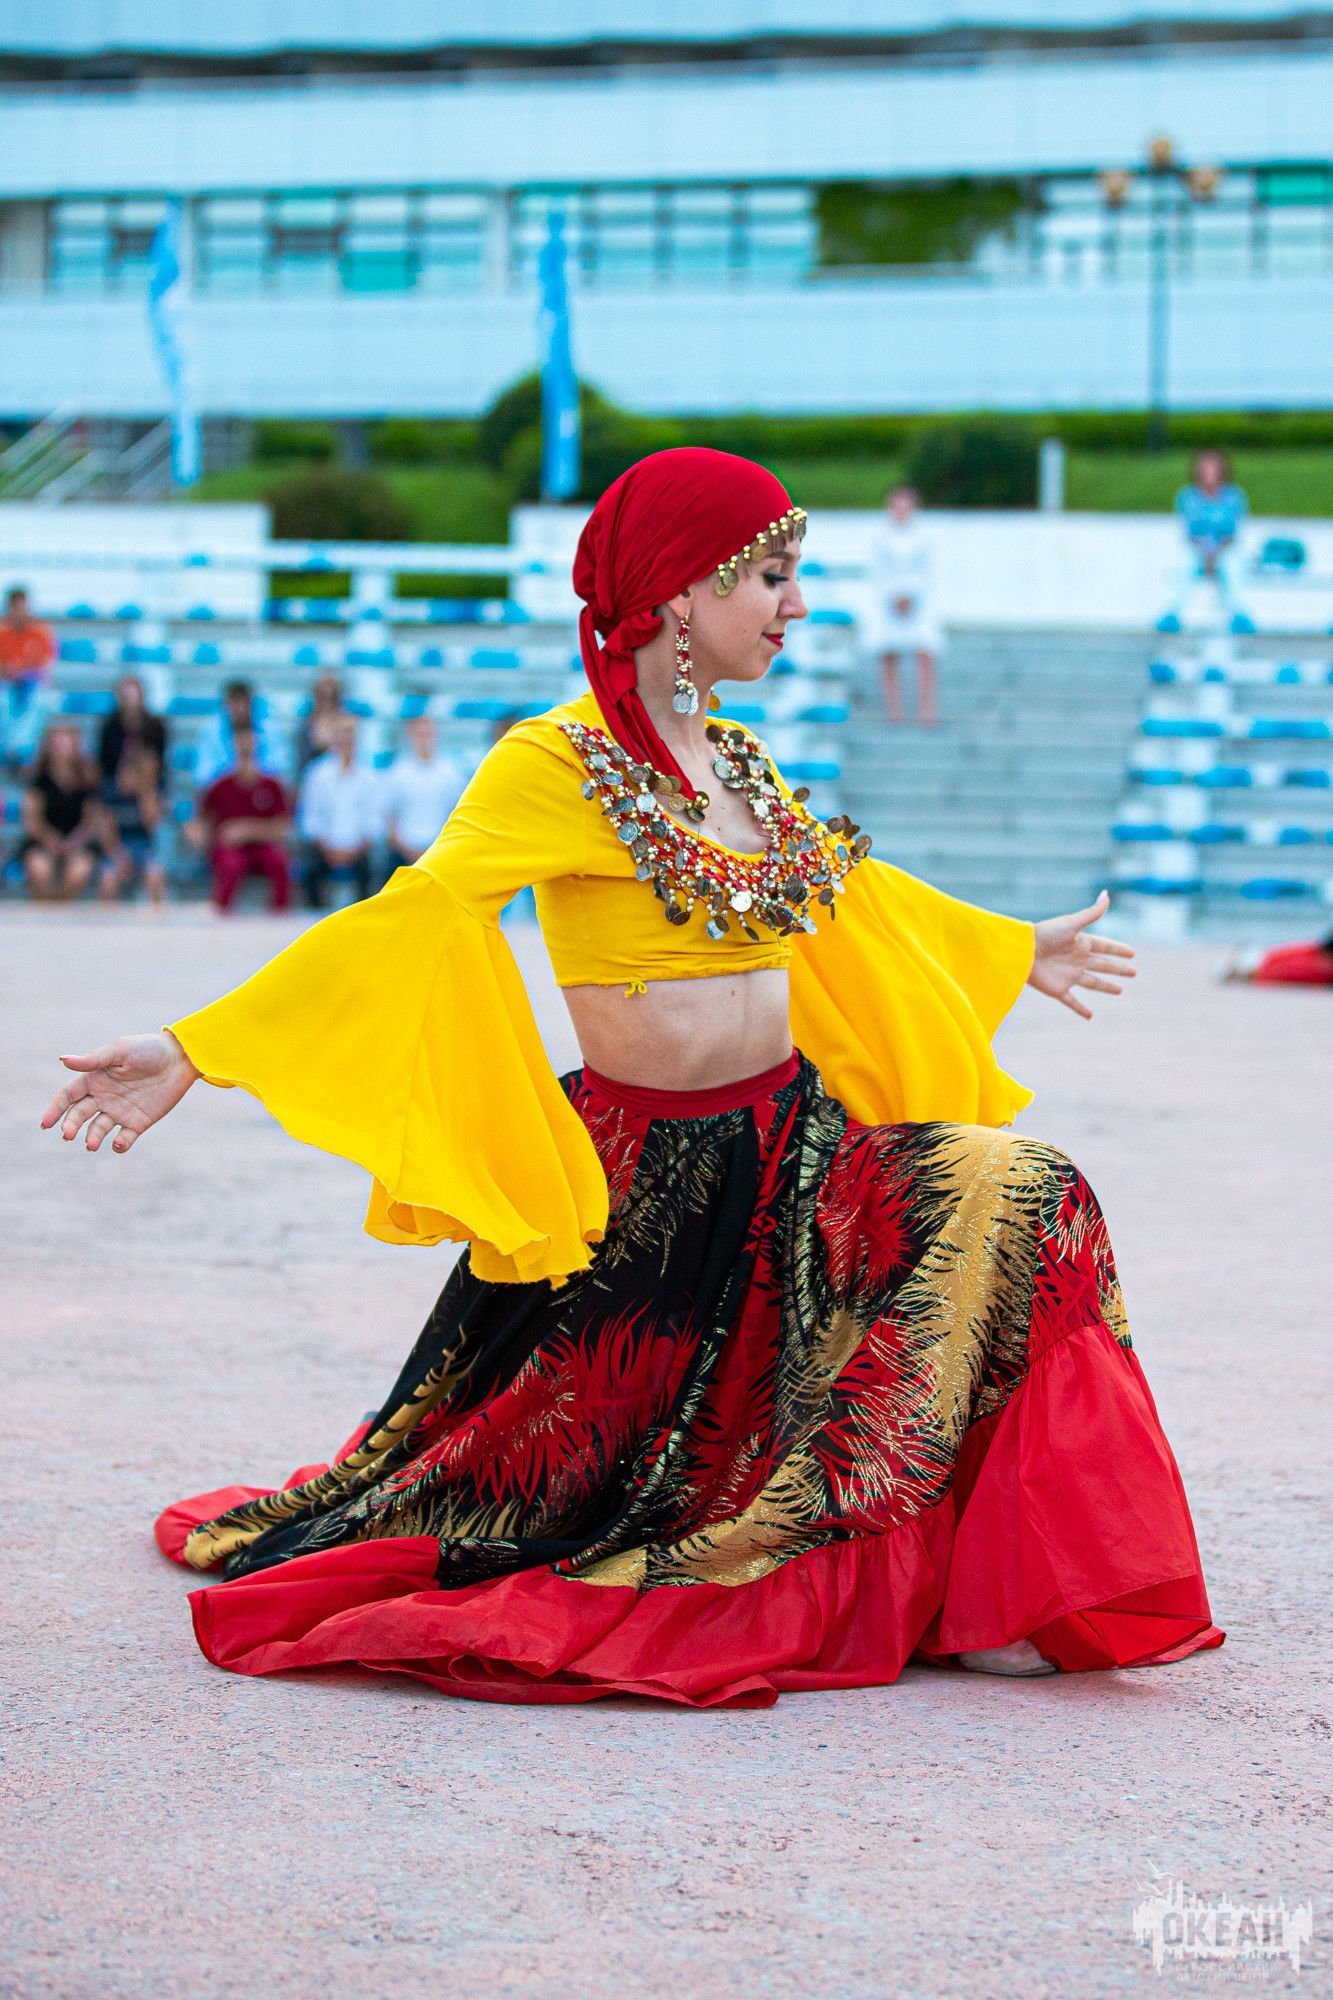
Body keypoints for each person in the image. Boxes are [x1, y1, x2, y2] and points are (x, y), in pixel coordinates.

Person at [41, 448, 1221, 1709]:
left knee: (1027, 1194)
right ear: (678, 591)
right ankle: (871, 1566)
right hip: (653, 1199)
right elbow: (417, 912)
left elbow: (854, 895)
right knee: (579, 1494)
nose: (796, 604)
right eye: (770, 577)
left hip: (801, 1151)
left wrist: (1011, 946)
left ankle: (984, 1578)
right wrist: (198, 1047)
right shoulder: (553, 763)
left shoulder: (741, 760)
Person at [193, 724, 292, 913]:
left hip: (263, 847)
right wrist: (203, 835)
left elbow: (282, 828)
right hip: (230, 849)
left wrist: (245, 830)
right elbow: (201, 820)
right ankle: (220, 912)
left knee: (279, 861)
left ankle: (280, 914)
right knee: (230, 863)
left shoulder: (272, 785)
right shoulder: (220, 786)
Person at [869, 486, 942, 726]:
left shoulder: (924, 537)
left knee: (925, 653)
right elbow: (879, 572)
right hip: (888, 603)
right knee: (889, 653)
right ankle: (894, 709)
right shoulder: (880, 537)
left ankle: (927, 709)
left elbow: (928, 571)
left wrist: (911, 595)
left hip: (919, 604)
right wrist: (894, 595)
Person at [1159, 449, 1253, 635]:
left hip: (1225, 549)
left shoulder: (1234, 496)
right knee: (1184, 565)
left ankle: (1240, 615)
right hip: (1197, 550)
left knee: (1232, 566)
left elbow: (1232, 531)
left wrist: (1216, 554)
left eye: (1214, 467)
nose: (1210, 472)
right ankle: (1172, 614)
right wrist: (1205, 554)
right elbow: (1190, 531)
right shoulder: (1188, 496)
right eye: (1205, 467)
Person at [297, 713, 383, 906]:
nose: (346, 740)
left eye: (350, 734)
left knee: (373, 870)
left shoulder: (369, 777)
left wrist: (354, 851)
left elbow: (373, 824)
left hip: (358, 850)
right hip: (324, 848)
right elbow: (311, 821)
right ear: (333, 738)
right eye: (341, 734)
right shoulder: (316, 774)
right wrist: (328, 850)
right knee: (310, 869)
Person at [20, 719, 102, 901]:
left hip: (76, 841)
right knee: (39, 870)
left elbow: (91, 820)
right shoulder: (38, 779)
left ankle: (63, 908)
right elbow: (32, 818)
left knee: (79, 870)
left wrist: (74, 841)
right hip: (43, 841)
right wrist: (51, 841)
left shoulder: (87, 780)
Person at [382, 714, 467, 869]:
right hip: (403, 852)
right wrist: (405, 849)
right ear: (411, 736)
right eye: (420, 734)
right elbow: (388, 816)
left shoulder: (451, 772)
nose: (424, 739)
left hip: (440, 852)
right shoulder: (397, 772)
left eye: (428, 734)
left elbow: (459, 814)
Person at [98, 742, 167, 905]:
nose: (123, 779)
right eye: (121, 774)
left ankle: (158, 917)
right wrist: (119, 856)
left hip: (144, 850)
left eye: (129, 775)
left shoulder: (149, 796)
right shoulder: (109, 797)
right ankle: (106, 917)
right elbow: (106, 836)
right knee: (108, 880)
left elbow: (151, 825)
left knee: (155, 877)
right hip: (118, 850)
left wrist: (144, 793)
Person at [0, 585, 58, 771]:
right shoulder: (2, 631)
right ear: (9, 608)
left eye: (23, 607)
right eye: (16, 607)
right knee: (4, 702)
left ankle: (22, 750)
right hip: (5, 685)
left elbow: (45, 667)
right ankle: (11, 750)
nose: (20, 612)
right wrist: (13, 671)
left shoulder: (41, 631)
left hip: (32, 685)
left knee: (39, 701)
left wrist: (19, 672)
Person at [193, 680, 281, 789]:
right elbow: (202, 775)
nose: (240, 708)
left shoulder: (270, 729)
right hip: (223, 793)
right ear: (226, 704)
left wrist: (251, 775)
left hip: (261, 791)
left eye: (243, 702)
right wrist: (236, 776)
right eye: (235, 702)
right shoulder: (210, 730)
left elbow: (281, 770)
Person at [97, 674, 168, 790]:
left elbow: (159, 762)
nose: (131, 701)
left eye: (133, 696)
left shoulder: (156, 728)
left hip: (149, 782)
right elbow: (105, 763)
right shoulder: (109, 728)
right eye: (127, 696)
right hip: (116, 782)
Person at [294, 673, 346, 777]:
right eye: (323, 696)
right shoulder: (306, 727)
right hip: (314, 779)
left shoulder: (348, 724)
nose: (327, 702)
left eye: (332, 697)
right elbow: (302, 762)